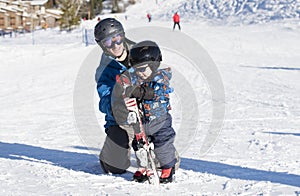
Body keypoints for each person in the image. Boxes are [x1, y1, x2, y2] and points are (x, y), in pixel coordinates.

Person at [115, 41, 178, 183]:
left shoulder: (161, 78)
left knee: (163, 143)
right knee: (140, 146)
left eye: (143, 69)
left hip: (159, 120)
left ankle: (168, 167)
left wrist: (139, 91)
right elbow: (126, 78)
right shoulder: (136, 77)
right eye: (137, 69)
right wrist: (123, 83)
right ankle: (144, 167)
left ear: (154, 65)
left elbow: (156, 93)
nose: (140, 73)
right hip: (140, 120)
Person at [94, 18, 136, 174]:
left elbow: (159, 80)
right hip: (121, 121)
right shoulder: (105, 70)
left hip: (146, 116)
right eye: (108, 42)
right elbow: (104, 100)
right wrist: (116, 107)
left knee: (166, 165)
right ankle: (110, 156)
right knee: (115, 166)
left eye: (117, 38)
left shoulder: (140, 55)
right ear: (102, 45)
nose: (116, 45)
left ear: (123, 36)